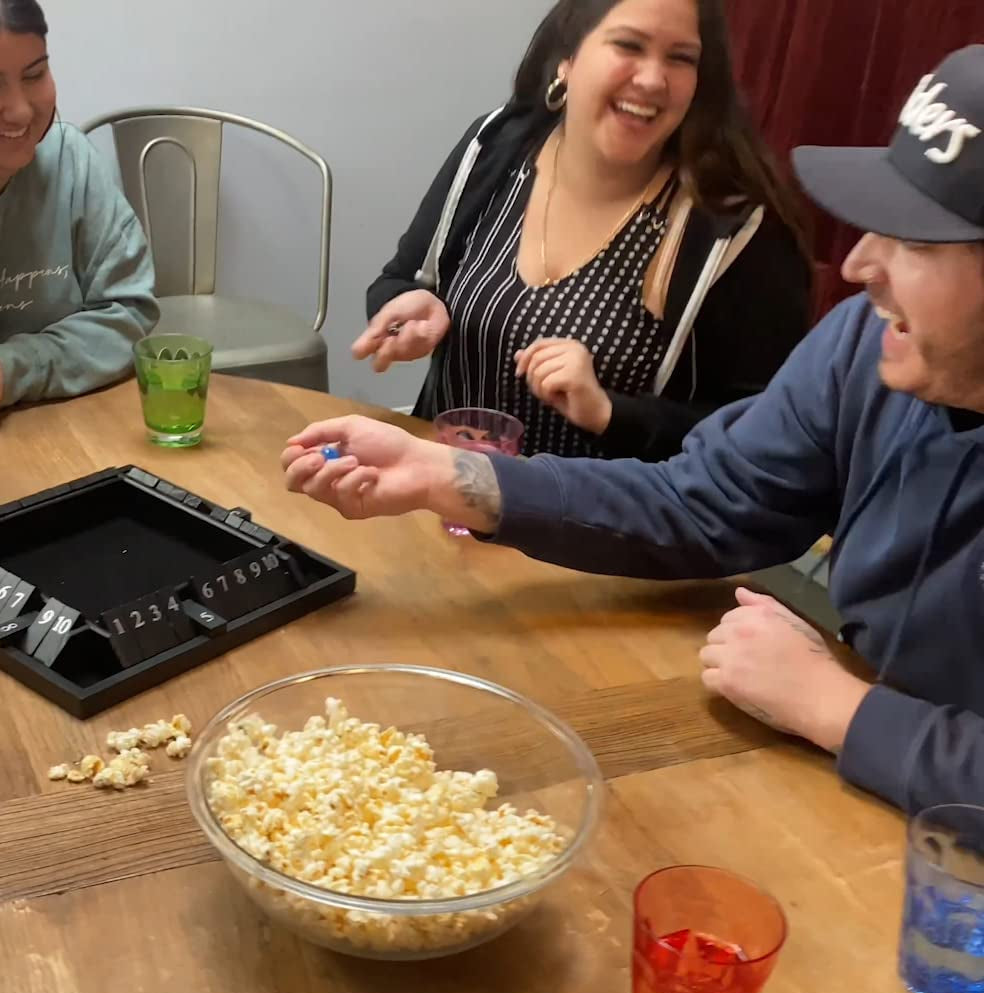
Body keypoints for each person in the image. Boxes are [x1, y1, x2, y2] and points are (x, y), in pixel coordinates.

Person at [283, 45, 984, 815]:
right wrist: (449, 478)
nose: (858, 267)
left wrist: (839, 710)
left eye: (914, 241)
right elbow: (704, 502)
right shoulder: (866, 343)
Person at [351, 0, 811, 460]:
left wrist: (611, 413)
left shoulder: (735, 229)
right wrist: (402, 304)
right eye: (629, 45)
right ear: (566, 60)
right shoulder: (494, 147)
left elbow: (762, 434)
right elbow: (400, 279)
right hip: (438, 496)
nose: (653, 80)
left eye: (681, 58)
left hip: (602, 524)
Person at [0, 0, 158, 466]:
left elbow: (129, 312)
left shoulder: (71, 163)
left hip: (60, 448)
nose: (20, 111)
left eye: (35, 74)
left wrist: (18, 366)